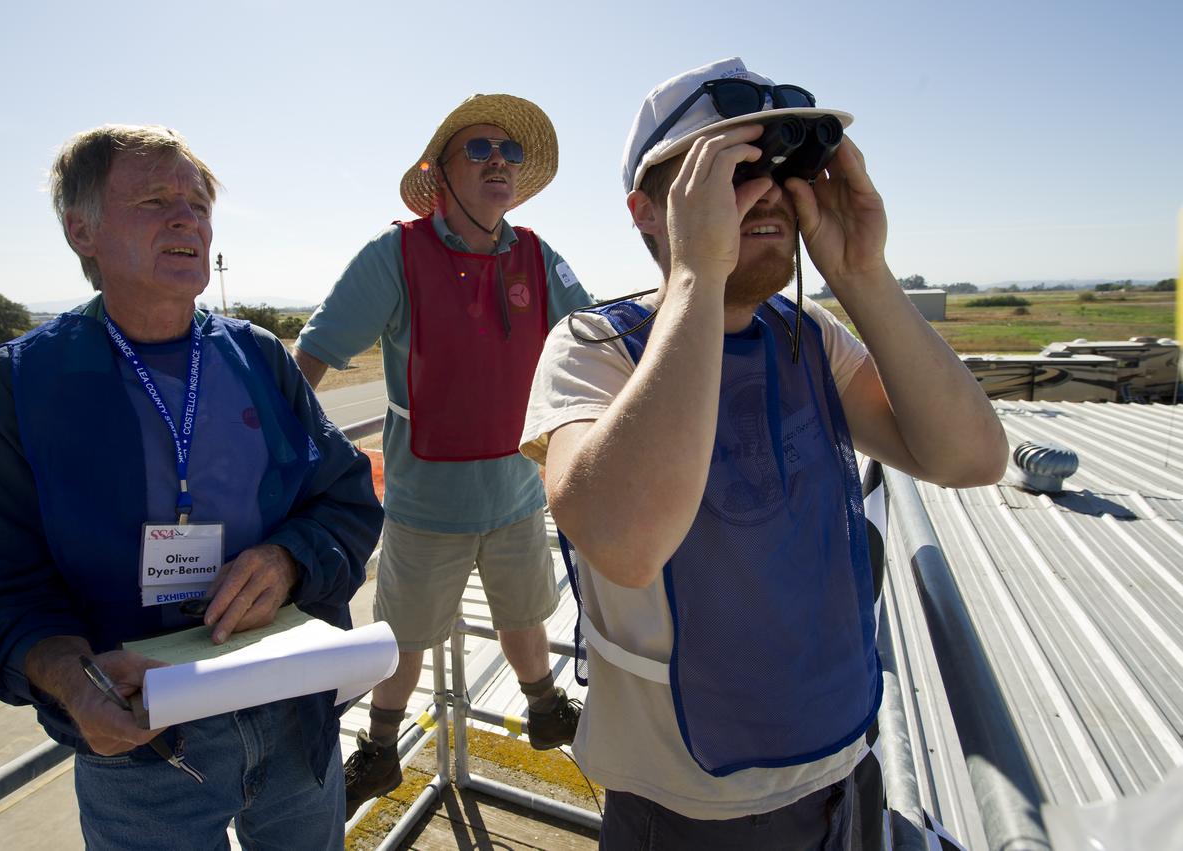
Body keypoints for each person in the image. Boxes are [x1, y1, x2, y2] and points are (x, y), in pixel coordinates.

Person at [520, 57, 1008, 849]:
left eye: (786, 168)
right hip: (692, 810)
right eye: (732, 170)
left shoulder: (807, 337)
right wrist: (696, 279)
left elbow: (970, 457)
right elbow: (625, 540)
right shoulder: (593, 349)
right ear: (649, 211)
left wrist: (861, 272)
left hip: (843, 766)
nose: (769, 189)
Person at [0, 125, 383, 850]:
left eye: (199, 203)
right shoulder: (6, 393)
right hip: (141, 748)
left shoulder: (260, 359)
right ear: (82, 230)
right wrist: (74, 684)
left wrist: (288, 559)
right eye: (154, 199)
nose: (188, 218)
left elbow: (347, 500)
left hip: (291, 714)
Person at [294, 93, 594, 816]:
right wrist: (296, 465)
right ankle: (379, 748)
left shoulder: (536, 255)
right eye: (480, 149)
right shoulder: (394, 255)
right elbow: (312, 358)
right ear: (440, 172)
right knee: (405, 634)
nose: (499, 162)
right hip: (426, 501)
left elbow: (591, 336)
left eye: (510, 152)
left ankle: (546, 709)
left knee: (525, 611)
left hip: (520, 491)